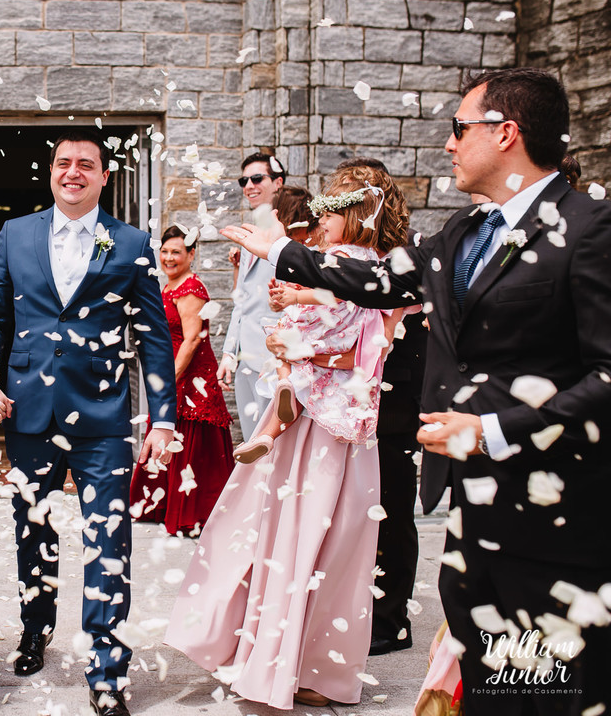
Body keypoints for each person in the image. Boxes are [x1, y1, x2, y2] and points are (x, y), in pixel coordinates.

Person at [223, 68, 611, 715]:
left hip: (560, 516)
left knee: (552, 689)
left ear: (506, 133)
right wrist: (281, 253)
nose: (450, 144)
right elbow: (378, 283)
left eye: (460, 128)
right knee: (490, 684)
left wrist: (491, 429)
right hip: (475, 511)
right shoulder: (463, 231)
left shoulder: (592, 228)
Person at [167, 164, 406, 710]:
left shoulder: (362, 271)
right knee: (325, 542)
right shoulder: (367, 268)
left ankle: (272, 660)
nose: (322, 221)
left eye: (331, 210)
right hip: (336, 420)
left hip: (323, 423)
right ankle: (307, 668)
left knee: (293, 533)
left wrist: (298, 352)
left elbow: (360, 345)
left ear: (355, 215)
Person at [0, 129, 177, 716]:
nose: (73, 172)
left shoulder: (132, 243)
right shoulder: (16, 234)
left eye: (86, 164)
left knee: (108, 538)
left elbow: (154, 336)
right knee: (32, 527)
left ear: (104, 177)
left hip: (103, 415)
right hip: (28, 410)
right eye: (64, 162)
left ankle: (107, 671)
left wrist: (162, 418)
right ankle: (35, 630)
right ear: (52, 171)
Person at [333, 158, 427, 657]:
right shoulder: (347, 254)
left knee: (392, 509)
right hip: (349, 396)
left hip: (395, 399)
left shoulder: (405, 257)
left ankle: (392, 621)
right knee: (355, 511)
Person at [128, 225, 234, 536]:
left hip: (191, 376)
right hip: (174, 371)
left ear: (191, 254)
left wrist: (169, 380)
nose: (169, 258)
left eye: (176, 252)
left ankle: (195, 513)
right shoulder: (170, 286)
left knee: (192, 443)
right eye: (164, 251)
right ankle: (163, 506)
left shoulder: (190, 288)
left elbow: (192, 340)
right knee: (169, 436)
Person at [219, 151, 287, 439]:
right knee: (251, 443)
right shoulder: (249, 233)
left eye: (257, 178)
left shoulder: (291, 231)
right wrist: (228, 353)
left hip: (276, 359)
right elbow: (243, 300)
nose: (249, 186)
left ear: (278, 182)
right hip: (246, 358)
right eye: (243, 181)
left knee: (275, 445)